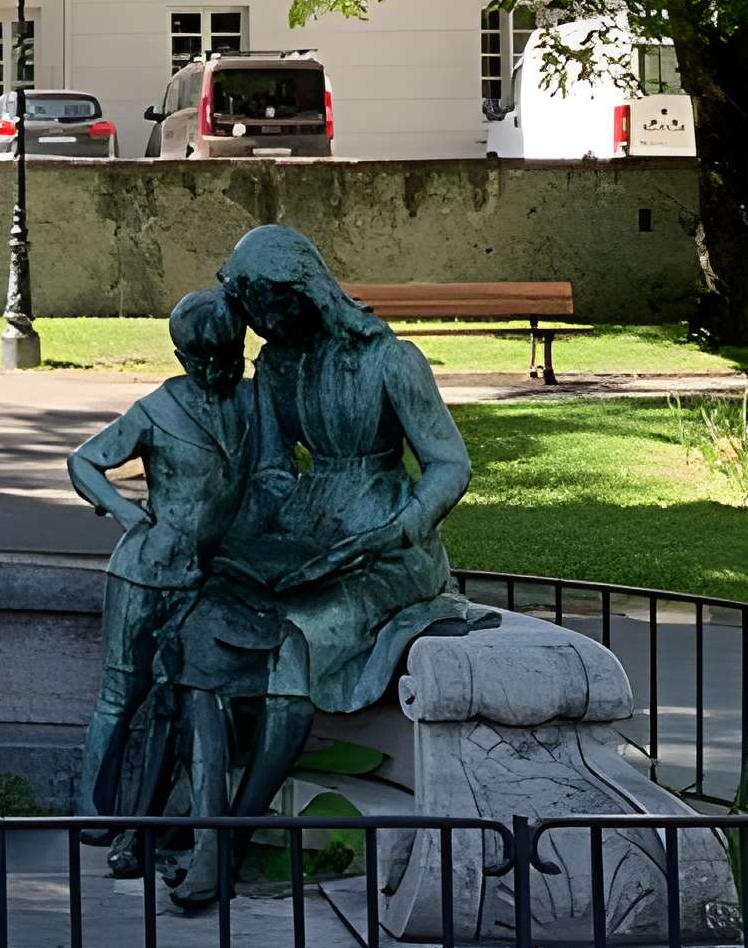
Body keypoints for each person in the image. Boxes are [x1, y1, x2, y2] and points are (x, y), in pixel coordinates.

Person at [159, 223, 485, 906]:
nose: (259, 330)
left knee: (293, 643)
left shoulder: (393, 362)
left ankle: (229, 842)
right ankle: (208, 833)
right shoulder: (276, 369)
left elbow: (450, 465)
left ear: (300, 295)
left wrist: (396, 529)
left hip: (391, 549)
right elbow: (276, 473)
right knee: (197, 626)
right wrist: (251, 534)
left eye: (266, 313)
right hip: (309, 539)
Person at [65, 289, 249, 882]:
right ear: (183, 358)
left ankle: (164, 821)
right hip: (143, 574)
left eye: (231, 354)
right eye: (208, 360)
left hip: (209, 573)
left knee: (186, 699)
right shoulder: (156, 410)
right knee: (121, 696)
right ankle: (93, 817)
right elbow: (84, 461)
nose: (222, 369)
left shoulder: (250, 402)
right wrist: (122, 509)